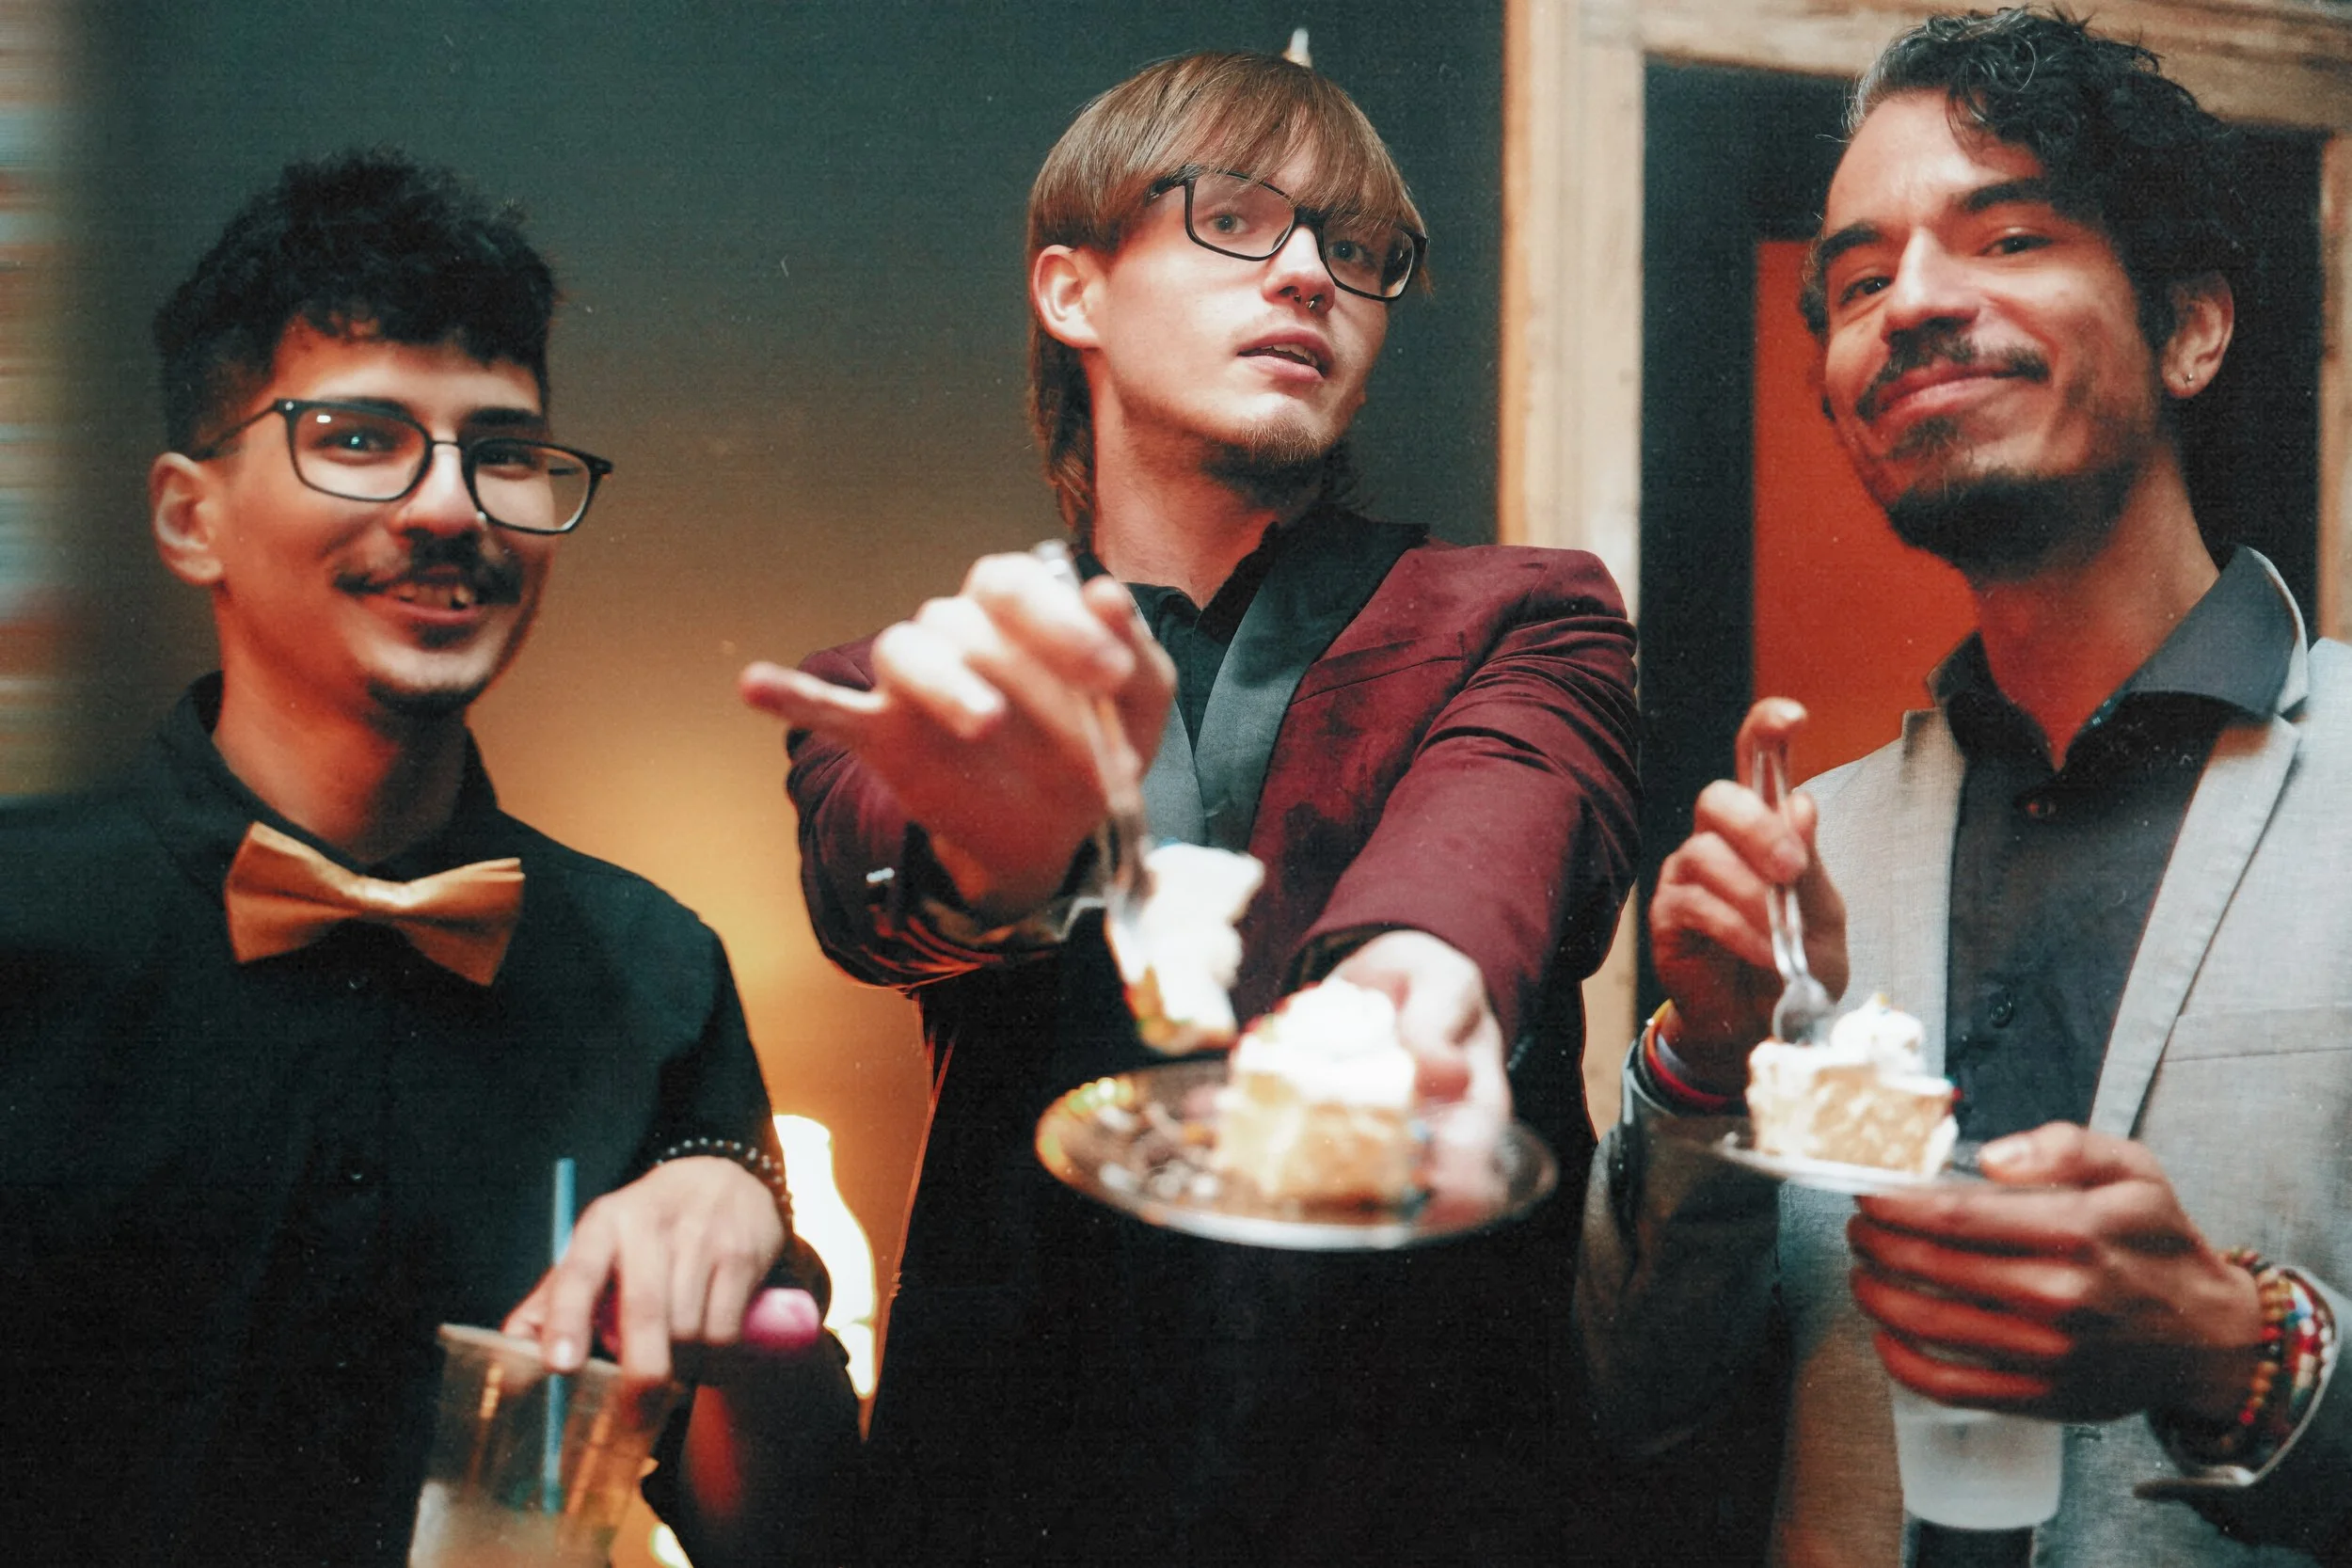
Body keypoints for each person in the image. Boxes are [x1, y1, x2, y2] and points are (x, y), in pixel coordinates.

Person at [743, 48, 1641, 1565]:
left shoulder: (1530, 617)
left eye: (1355, 249)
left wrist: (1404, 999)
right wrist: (1006, 845)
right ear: (1072, 291)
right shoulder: (926, 682)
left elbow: (1505, 819)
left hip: (1420, 1498)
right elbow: (880, 883)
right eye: (1233, 216)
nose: (1306, 271)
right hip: (1006, 1501)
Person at [0, 150, 856, 1566]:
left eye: (506, 452)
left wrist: (750, 1260)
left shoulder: (655, 971)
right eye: (358, 437)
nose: (454, 508)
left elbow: (797, 1544)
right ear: (186, 513)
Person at [1577, 9, 2348, 1565]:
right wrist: (1704, 1061)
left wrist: (2234, 1350)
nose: (1915, 301)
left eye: (2007, 235)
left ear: (2193, 326)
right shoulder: (1816, 858)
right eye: (1860, 282)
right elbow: (1631, 1398)